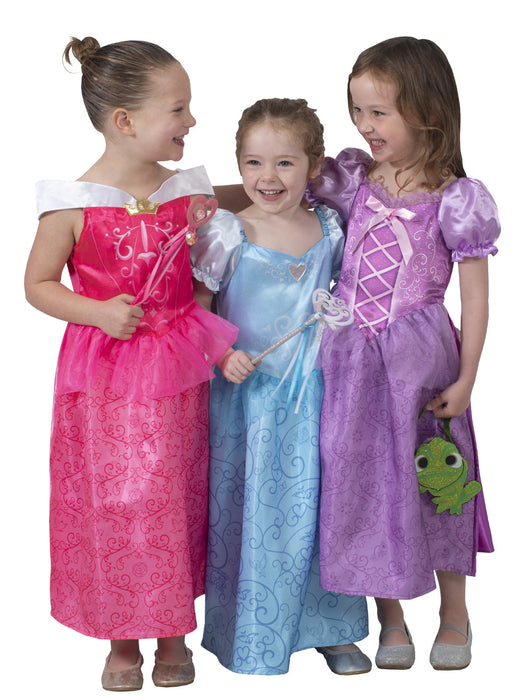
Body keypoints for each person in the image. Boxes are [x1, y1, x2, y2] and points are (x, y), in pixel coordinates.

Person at [24, 37, 238, 691]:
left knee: (173, 493)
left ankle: (172, 631)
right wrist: (94, 311)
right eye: (178, 109)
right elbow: (37, 285)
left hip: (177, 368)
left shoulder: (187, 192)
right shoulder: (72, 202)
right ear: (125, 120)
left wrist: (294, 177)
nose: (191, 120)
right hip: (106, 378)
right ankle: (121, 638)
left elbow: (239, 206)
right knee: (118, 499)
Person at [306, 36, 500, 671]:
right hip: (351, 362)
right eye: (357, 110)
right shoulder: (352, 180)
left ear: (427, 111)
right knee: (360, 482)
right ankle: (390, 615)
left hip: (420, 365)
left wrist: (467, 379)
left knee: (436, 479)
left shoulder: (457, 197)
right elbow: (273, 186)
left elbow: (475, 300)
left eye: (378, 112)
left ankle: (454, 612)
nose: (364, 125)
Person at [191, 98, 369, 676]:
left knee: (319, 505)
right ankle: (250, 632)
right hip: (247, 399)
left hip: (314, 393)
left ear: (313, 165)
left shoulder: (328, 228)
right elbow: (198, 309)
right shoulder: (228, 231)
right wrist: (223, 354)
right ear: (239, 165)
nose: (268, 177)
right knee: (255, 510)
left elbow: (340, 299)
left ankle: (330, 628)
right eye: (254, 162)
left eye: (285, 163)